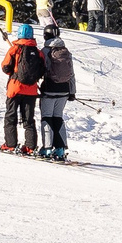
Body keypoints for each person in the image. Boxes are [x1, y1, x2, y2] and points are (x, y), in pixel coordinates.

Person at [0, 23, 47, 152]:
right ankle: (30, 147)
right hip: (31, 91)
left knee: (11, 116)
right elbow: (42, 70)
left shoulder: (14, 49)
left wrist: (15, 73)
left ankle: (10, 144)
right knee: (28, 119)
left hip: (15, 89)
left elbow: (5, 67)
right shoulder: (38, 53)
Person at [37, 23, 77, 158]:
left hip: (49, 89)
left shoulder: (45, 51)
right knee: (58, 118)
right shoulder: (66, 51)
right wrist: (72, 92)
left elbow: (39, 70)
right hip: (64, 90)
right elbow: (71, 74)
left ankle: (47, 148)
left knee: (46, 117)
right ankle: (60, 149)